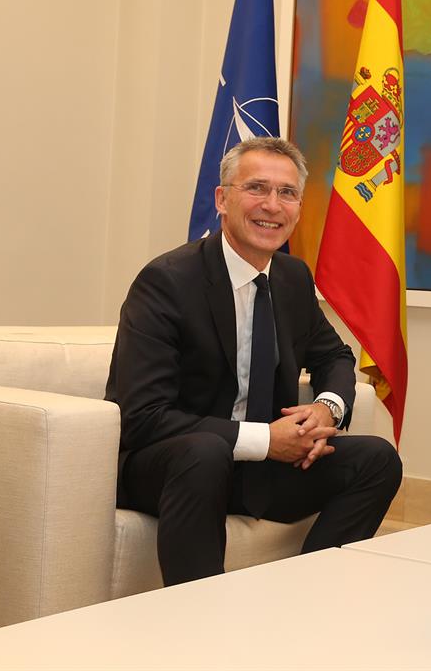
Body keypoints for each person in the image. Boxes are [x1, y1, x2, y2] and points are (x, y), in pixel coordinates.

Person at [106, 137, 402, 585]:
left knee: (377, 458)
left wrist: (326, 410)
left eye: (287, 193)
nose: (272, 205)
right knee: (205, 453)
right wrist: (266, 440)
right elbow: (143, 417)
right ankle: (198, 627)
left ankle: (307, 593)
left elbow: (335, 356)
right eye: (256, 188)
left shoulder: (291, 277)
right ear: (223, 199)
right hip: (173, 465)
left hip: (258, 469)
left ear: (299, 208)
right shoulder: (166, 281)